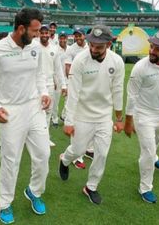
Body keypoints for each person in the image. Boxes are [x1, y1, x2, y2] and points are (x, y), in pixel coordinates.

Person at [0, 8, 51, 224]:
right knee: (11, 160)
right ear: (21, 29)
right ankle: (5, 204)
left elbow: (39, 75)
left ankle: (34, 192)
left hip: (34, 107)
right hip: (9, 111)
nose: (39, 35)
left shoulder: (35, 48)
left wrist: (45, 93)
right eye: (35, 31)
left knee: (44, 154)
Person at [58, 25, 125, 205]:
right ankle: (64, 160)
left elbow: (118, 90)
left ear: (109, 44)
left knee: (101, 154)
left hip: (104, 116)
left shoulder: (117, 62)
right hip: (82, 115)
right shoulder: (80, 60)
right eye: (92, 45)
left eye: (99, 46)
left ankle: (91, 187)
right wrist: (69, 121)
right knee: (78, 150)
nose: (94, 49)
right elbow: (73, 92)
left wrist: (119, 119)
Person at [124, 31, 159, 203]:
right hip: (143, 115)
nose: (153, 51)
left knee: (155, 143)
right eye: (152, 46)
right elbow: (131, 95)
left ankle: (154, 158)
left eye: (158, 49)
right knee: (147, 152)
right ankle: (145, 187)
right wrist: (128, 120)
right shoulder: (140, 67)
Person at [63, 28, 91, 168]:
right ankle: (76, 156)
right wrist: (71, 83)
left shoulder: (89, 46)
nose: (78, 38)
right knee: (76, 118)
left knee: (91, 116)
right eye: (75, 36)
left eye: (79, 35)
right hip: (77, 86)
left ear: (84, 36)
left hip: (90, 87)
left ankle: (89, 149)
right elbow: (68, 67)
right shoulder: (71, 49)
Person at [39, 25, 66, 147]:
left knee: (48, 111)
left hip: (49, 84)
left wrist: (63, 85)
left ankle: (45, 138)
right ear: (39, 34)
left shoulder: (54, 49)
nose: (44, 35)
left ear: (50, 34)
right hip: (35, 85)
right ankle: (32, 138)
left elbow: (58, 69)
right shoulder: (33, 47)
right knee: (35, 111)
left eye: (46, 33)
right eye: (42, 33)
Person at [51, 31, 68, 127]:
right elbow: (53, 66)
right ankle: (54, 119)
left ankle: (64, 115)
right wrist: (53, 79)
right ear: (59, 39)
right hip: (57, 77)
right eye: (61, 38)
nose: (63, 40)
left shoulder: (70, 49)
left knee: (68, 99)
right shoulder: (55, 50)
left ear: (67, 38)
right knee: (55, 100)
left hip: (68, 77)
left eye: (64, 38)